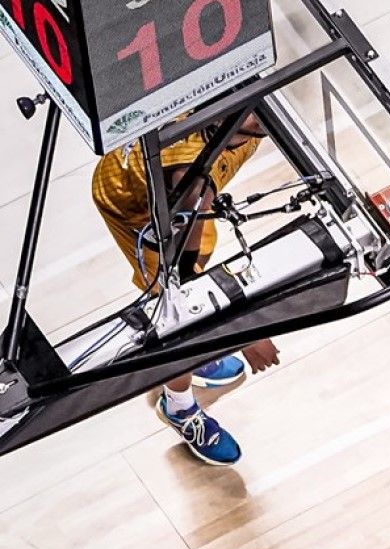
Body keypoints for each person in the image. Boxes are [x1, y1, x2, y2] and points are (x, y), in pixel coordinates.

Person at [91, 114, 280, 465]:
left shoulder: (250, 122)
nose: (259, 113)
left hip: (182, 201)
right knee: (176, 318)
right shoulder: (190, 181)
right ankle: (178, 408)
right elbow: (186, 282)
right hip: (131, 200)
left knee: (202, 247)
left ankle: (199, 360)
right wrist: (244, 335)